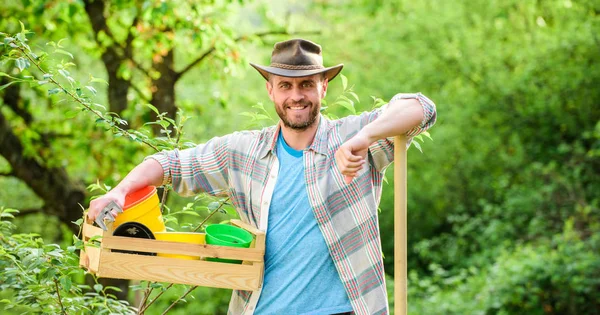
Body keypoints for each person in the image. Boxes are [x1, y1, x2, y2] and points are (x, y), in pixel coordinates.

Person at [88, 38, 437, 315]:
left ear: (324, 88)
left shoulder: (355, 138)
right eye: (285, 85)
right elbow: (171, 164)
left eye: (306, 85)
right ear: (270, 90)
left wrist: (364, 139)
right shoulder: (242, 152)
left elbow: (422, 108)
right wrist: (119, 191)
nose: (296, 95)